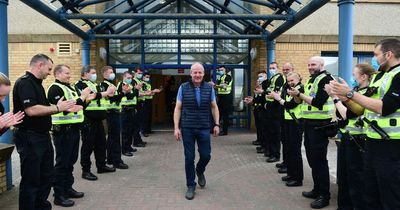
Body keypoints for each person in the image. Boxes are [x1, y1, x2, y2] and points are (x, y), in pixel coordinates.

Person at [330, 38, 400, 210]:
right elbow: (361, 109)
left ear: (388, 54)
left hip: (391, 146)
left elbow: (386, 107)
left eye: (376, 55)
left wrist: (350, 94)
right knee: (371, 195)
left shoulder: (398, 75)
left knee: (390, 198)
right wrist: (344, 96)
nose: (374, 59)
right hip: (372, 142)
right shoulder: (381, 77)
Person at [13, 54, 76, 210]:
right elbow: (32, 110)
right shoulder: (25, 83)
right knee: (32, 180)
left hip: (42, 136)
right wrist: (57, 108)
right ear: (39, 65)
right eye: (48, 69)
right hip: (30, 137)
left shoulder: (38, 84)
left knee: (46, 176)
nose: (50, 73)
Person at [325, 64, 375, 210]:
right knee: (344, 177)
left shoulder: (367, 94)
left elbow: (349, 114)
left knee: (356, 178)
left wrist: (335, 97)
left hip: (358, 140)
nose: (353, 78)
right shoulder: (356, 92)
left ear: (364, 76)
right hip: (347, 138)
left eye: (355, 75)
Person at [288, 56, 333, 209]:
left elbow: (318, 102)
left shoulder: (326, 79)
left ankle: (324, 195)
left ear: (322, 64)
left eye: (313, 64)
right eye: (308, 65)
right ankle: (317, 189)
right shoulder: (312, 79)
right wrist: (296, 96)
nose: (310, 67)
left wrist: (299, 95)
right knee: (312, 159)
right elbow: (303, 101)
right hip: (309, 125)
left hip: (320, 126)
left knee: (319, 161)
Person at [47, 64, 94, 207]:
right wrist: (82, 97)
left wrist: (83, 101)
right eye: (66, 73)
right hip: (62, 131)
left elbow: (78, 107)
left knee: (71, 161)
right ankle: (59, 194)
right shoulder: (55, 88)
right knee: (62, 163)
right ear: (57, 74)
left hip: (73, 130)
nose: (69, 75)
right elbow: (67, 107)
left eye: (69, 72)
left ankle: (68, 188)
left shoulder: (69, 87)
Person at [173, 62, 220, 200]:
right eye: (195, 72)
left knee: (206, 155)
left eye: (200, 72)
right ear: (191, 73)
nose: (197, 75)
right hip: (188, 127)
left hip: (205, 127)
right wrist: (176, 128)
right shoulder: (183, 88)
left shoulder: (209, 88)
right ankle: (190, 186)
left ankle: (200, 170)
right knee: (189, 158)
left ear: (203, 74)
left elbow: (214, 107)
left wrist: (216, 124)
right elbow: (178, 108)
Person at [75, 65, 116, 181]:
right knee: (88, 146)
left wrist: (109, 94)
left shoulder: (95, 84)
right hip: (88, 119)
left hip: (99, 120)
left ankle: (101, 166)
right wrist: (106, 92)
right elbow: (93, 96)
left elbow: (101, 96)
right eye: (93, 73)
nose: (95, 75)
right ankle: (86, 171)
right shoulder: (80, 85)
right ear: (85, 73)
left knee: (101, 144)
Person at [269, 72, 304, 187]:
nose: (290, 83)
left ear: (298, 79)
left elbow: (290, 105)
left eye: (292, 81)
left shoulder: (300, 89)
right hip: (288, 121)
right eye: (288, 81)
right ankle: (291, 173)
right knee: (289, 149)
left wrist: (279, 99)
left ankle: (297, 178)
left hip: (296, 122)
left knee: (295, 151)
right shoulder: (290, 89)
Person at [100, 66, 129, 169]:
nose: (113, 74)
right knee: (115, 137)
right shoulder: (104, 85)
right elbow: (112, 98)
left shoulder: (111, 84)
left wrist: (121, 93)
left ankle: (111, 158)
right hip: (111, 113)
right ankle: (117, 161)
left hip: (115, 112)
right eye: (111, 72)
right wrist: (123, 93)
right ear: (105, 74)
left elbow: (115, 98)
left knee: (112, 137)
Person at [262, 62, 285, 163]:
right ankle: (271, 153)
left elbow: (275, 93)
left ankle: (275, 155)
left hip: (275, 109)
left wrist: (268, 96)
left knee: (275, 133)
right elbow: (268, 91)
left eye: (273, 68)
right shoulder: (272, 78)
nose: (271, 69)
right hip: (270, 108)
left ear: (277, 68)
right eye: (270, 68)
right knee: (270, 132)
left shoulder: (279, 78)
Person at [274, 63, 295, 172]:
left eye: (287, 69)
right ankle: (285, 162)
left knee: (290, 145)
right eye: (284, 69)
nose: (285, 71)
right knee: (285, 142)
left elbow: (290, 102)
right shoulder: (285, 84)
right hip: (283, 115)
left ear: (293, 69)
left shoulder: (294, 86)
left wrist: (278, 99)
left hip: (293, 119)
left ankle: (289, 166)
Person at [118, 71, 138, 156]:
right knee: (125, 131)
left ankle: (129, 146)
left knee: (130, 129)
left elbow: (135, 96)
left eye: (131, 78)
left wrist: (135, 90)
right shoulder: (122, 85)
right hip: (125, 110)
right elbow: (129, 96)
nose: (130, 79)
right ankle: (124, 149)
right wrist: (135, 90)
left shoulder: (130, 86)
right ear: (124, 77)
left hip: (131, 109)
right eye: (128, 78)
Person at [212, 65, 232, 136]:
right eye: (219, 70)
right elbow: (218, 88)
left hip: (226, 97)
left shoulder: (228, 77)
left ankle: (224, 131)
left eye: (221, 70)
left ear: (225, 70)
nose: (220, 71)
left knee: (225, 115)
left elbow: (224, 86)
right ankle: (215, 129)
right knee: (218, 113)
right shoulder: (220, 78)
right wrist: (213, 86)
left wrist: (215, 85)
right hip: (220, 97)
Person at [141, 72, 161, 137]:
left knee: (149, 116)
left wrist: (152, 92)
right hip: (145, 101)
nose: (148, 78)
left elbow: (149, 93)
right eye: (147, 77)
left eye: (149, 77)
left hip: (149, 100)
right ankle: (144, 131)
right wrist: (153, 91)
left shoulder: (147, 84)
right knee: (145, 117)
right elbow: (144, 92)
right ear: (143, 77)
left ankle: (148, 129)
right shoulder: (142, 84)